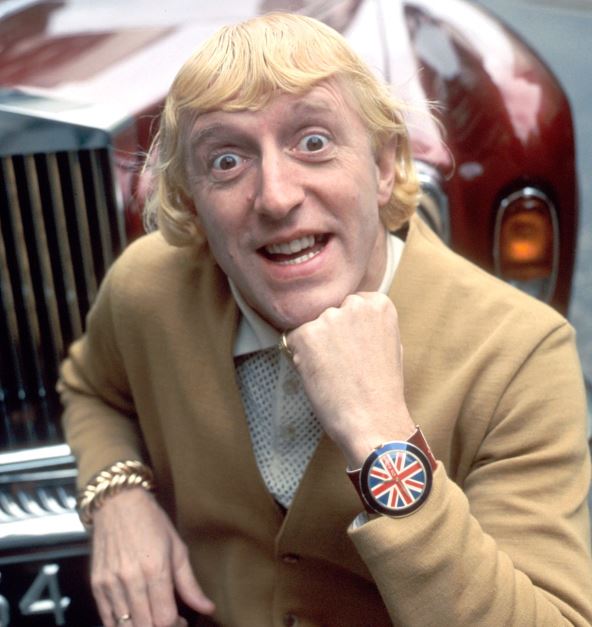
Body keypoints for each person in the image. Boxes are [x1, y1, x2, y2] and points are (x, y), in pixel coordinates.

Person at [58, 12, 592, 627]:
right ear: (191, 204)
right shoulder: (149, 289)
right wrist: (118, 494)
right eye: (227, 161)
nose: (277, 196)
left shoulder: (519, 355)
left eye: (313, 143)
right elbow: (92, 388)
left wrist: (383, 438)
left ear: (385, 166)